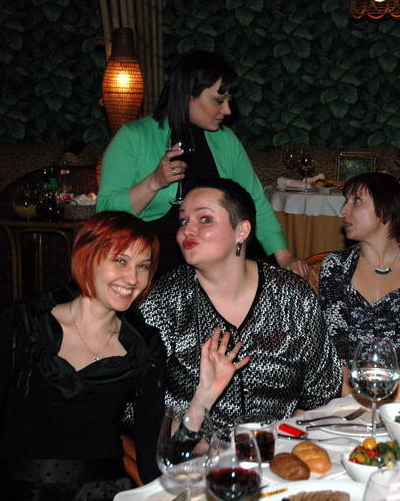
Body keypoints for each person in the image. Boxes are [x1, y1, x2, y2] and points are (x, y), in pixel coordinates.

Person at [0, 212, 245, 501]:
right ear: (87, 257)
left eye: (143, 266)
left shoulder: (144, 347)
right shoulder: (23, 325)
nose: (132, 278)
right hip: (15, 492)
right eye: (120, 260)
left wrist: (204, 395)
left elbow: (151, 459)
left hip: (103, 492)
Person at [140, 178, 342, 430]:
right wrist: (194, 441)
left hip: (281, 445)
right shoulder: (165, 300)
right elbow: (140, 406)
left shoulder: (292, 295)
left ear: (241, 231)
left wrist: (287, 439)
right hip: (192, 449)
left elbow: (323, 388)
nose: (187, 231)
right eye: (183, 221)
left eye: (205, 219)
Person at [97, 49, 307, 279]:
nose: (227, 110)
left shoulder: (225, 140)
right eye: (218, 100)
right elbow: (105, 214)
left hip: (216, 270)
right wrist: (153, 183)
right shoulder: (134, 136)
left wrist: (284, 256)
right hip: (150, 268)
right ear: (188, 94)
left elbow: (254, 201)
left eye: (229, 101)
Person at [319, 172, 400, 368]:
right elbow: (334, 343)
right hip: (347, 381)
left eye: (357, 201)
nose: (344, 210)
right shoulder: (336, 266)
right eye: (346, 201)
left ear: (386, 210)